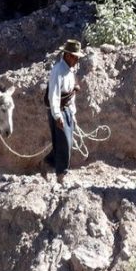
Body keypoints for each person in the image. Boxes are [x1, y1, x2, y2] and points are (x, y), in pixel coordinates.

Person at [43, 39, 84, 185]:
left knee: (67, 142)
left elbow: (70, 95)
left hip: (67, 110)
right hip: (58, 111)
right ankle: (61, 175)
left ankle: (47, 163)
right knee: (64, 143)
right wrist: (57, 116)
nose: (77, 59)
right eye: (75, 56)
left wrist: (72, 113)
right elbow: (53, 95)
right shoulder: (57, 70)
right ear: (67, 55)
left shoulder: (71, 71)